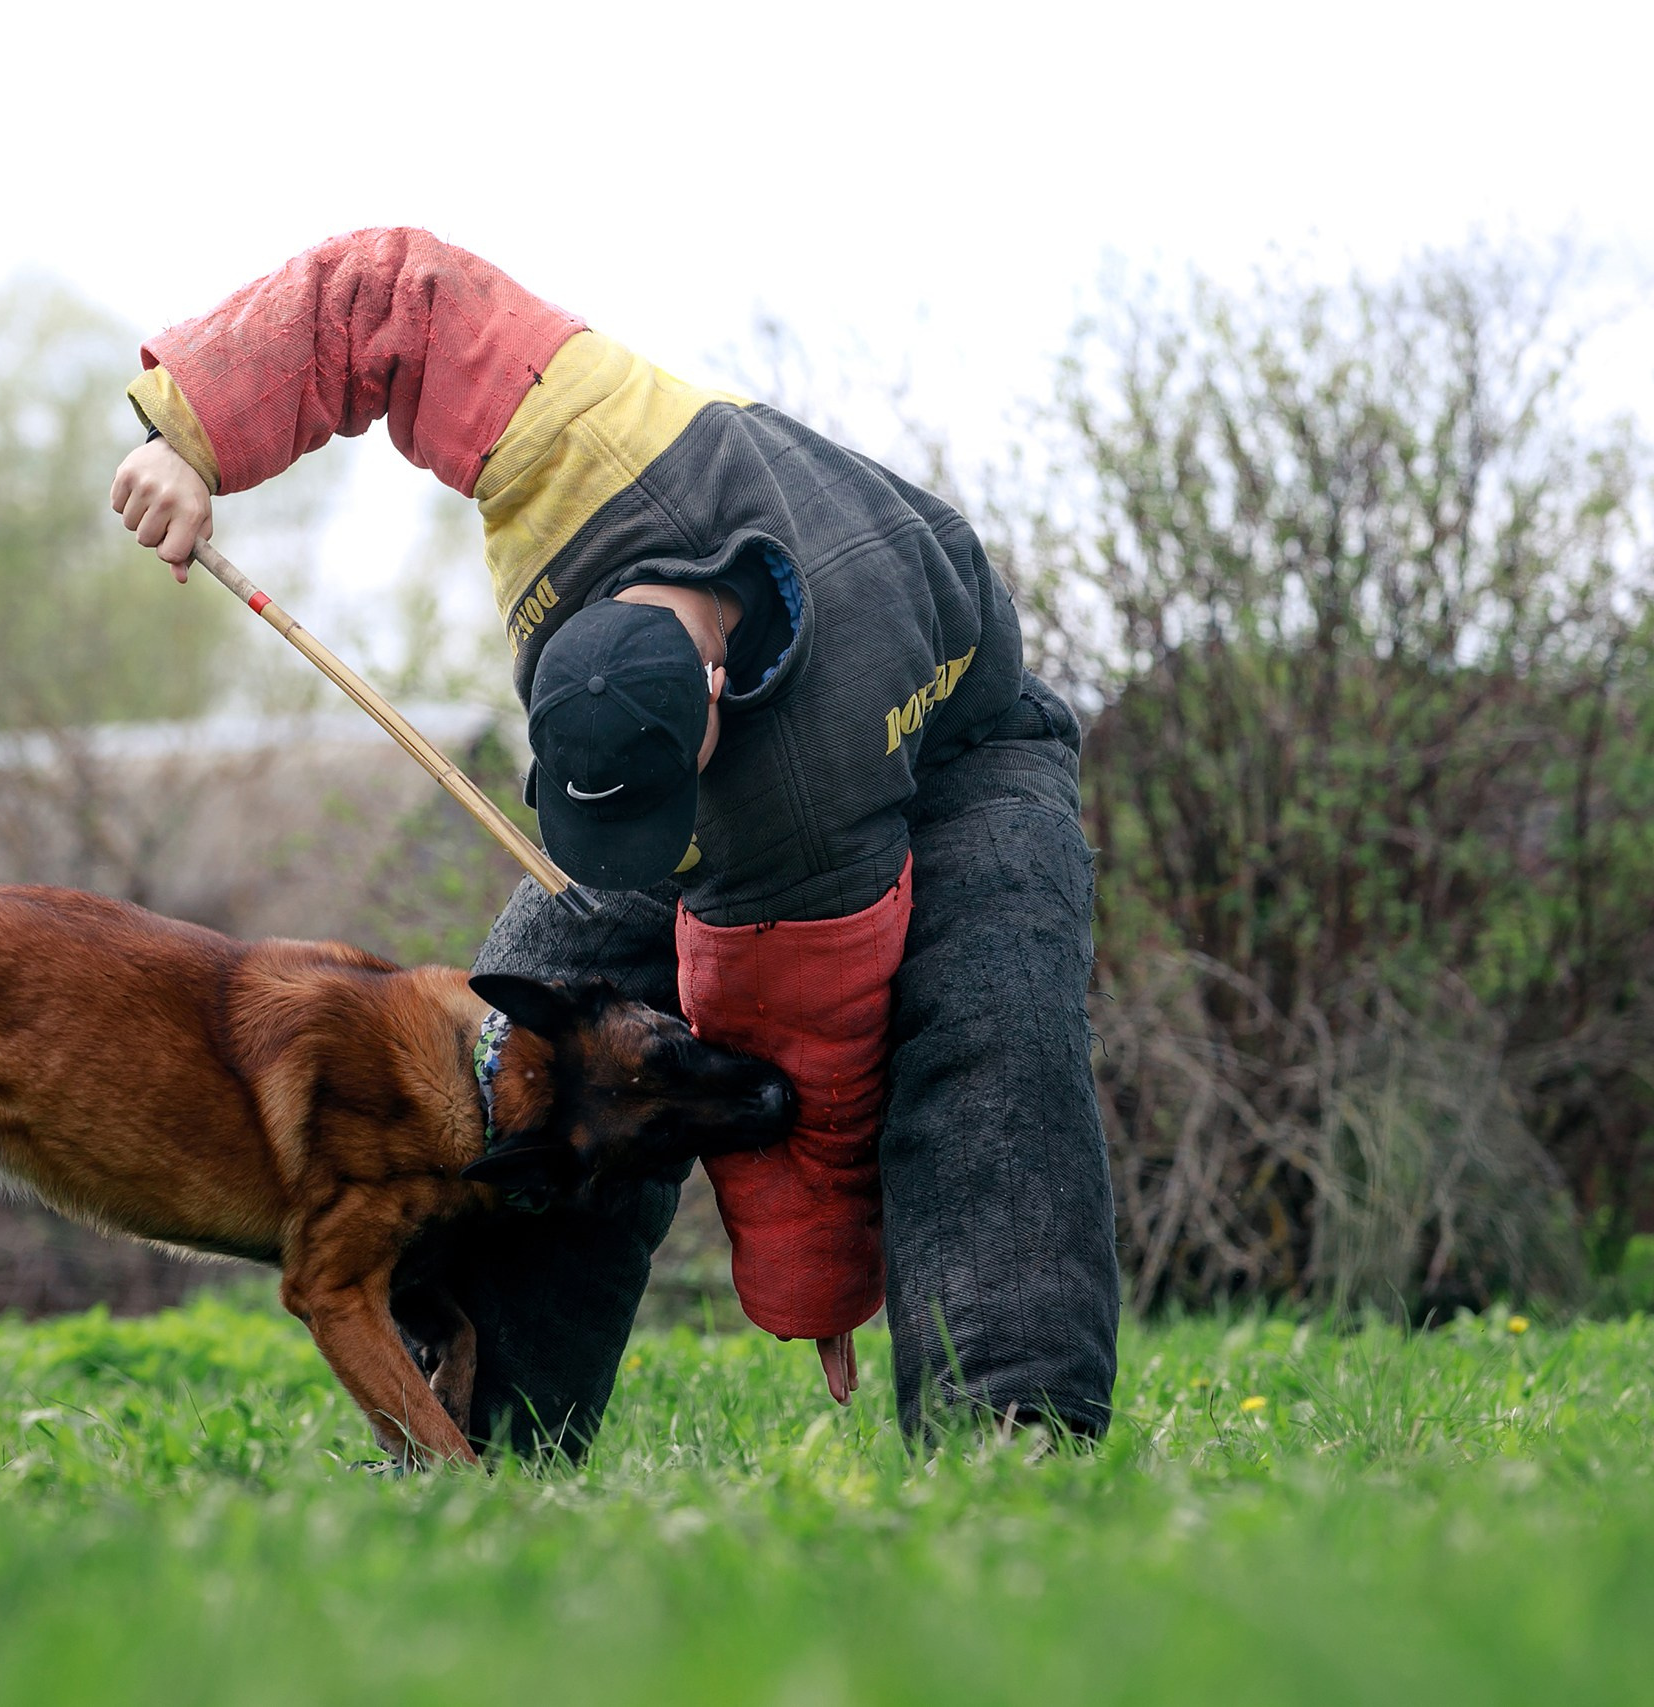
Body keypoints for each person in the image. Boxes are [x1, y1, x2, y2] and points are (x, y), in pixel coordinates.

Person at [110, 228, 1117, 1455]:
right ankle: (482, 1442)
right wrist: (190, 441)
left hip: (963, 761)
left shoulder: (793, 783)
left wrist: (813, 1288)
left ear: (709, 698)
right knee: (530, 1057)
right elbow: (387, 293)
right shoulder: (567, 440)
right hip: (730, 772)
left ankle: (1008, 1431)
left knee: (987, 1024)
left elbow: (790, 1060)